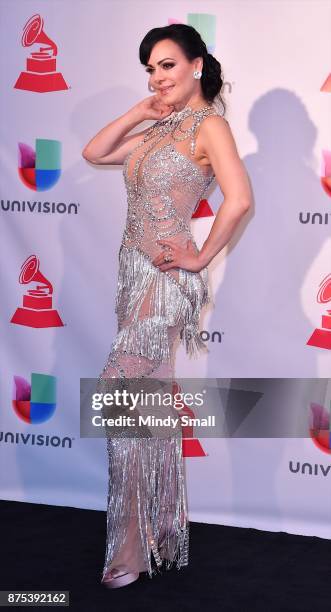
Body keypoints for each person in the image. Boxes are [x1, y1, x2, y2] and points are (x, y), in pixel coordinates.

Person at [82, 23, 252, 589]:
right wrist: (139, 110)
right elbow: (94, 152)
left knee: (121, 394)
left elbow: (240, 198)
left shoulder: (210, 125)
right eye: (151, 68)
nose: (158, 77)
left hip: (166, 280)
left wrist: (201, 258)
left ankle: (128, 545)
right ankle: (163, 528)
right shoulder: (161, 129)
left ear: (197, 65)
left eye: (168, 65)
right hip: (131, 279)